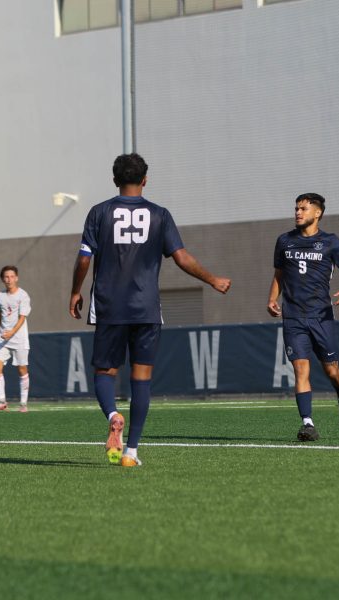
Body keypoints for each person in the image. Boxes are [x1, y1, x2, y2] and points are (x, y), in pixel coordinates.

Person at [69, 153, 231, 467]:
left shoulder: (99, 213)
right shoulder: (160, 215)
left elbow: (85, 258)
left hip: (108, 306)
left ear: (114, 180)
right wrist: (212, 279)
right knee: (141, 379)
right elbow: (181, 258)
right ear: (145, 180)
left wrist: (75, 291)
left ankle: (114, 415)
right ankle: (131, 452)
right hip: (145, 308)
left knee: (105, 372)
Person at [267, 193, 339, 441]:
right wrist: (272, 299)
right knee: (300, 369)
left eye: (303, 209)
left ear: (317, 213)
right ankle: (307, 423)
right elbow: (278, 275)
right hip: (293, 317)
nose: (298, 212)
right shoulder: (284, 241)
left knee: (332, 372)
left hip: (321, 316)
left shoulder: (331, 242)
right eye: (296, 208)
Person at [0, 266, 31, 413]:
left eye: (12, 276)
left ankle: (23, 404)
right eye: (6, 277)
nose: (9, 279)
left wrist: (11, 332)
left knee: (22, 369)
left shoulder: (23, 296)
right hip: (2, 339)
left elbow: (22, 317)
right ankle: (2, 402)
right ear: (2, 279)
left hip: (19, 338)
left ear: (16, 278)